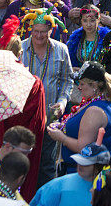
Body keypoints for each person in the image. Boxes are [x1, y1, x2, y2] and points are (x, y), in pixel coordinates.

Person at [21, 10, 73, 186]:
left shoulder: (61, 49)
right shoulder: (20, 49)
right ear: (30, 29)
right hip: (26, 117)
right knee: (24, 162)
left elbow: (68, 80)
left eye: (43, 31)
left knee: (48, 165)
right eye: (35, 31)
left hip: (51, 119)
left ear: (51, 30)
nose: (39, 35)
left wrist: (63, 102)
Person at [46, 61, 111, 175]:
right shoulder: (106, 99)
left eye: (81, 84)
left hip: (83, 173)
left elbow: (84, 148)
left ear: (94, 85)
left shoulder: (95, 111)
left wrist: (61, 138)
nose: (78, 87)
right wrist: (63, 126)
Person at [30, 142, 111, 206]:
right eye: (80, 161)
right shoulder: (58, 185)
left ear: (99, 167)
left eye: (86, 164)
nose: (79, 165)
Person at [66, 4, 111, 75]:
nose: (88, 25)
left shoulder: (108, 38)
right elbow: (69, 62)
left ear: (98, 20)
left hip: (101, 79)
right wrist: (72, 68)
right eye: (85, 21)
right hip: (80, 81)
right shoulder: (75, 39)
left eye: (92, 21)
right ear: (81, 21)